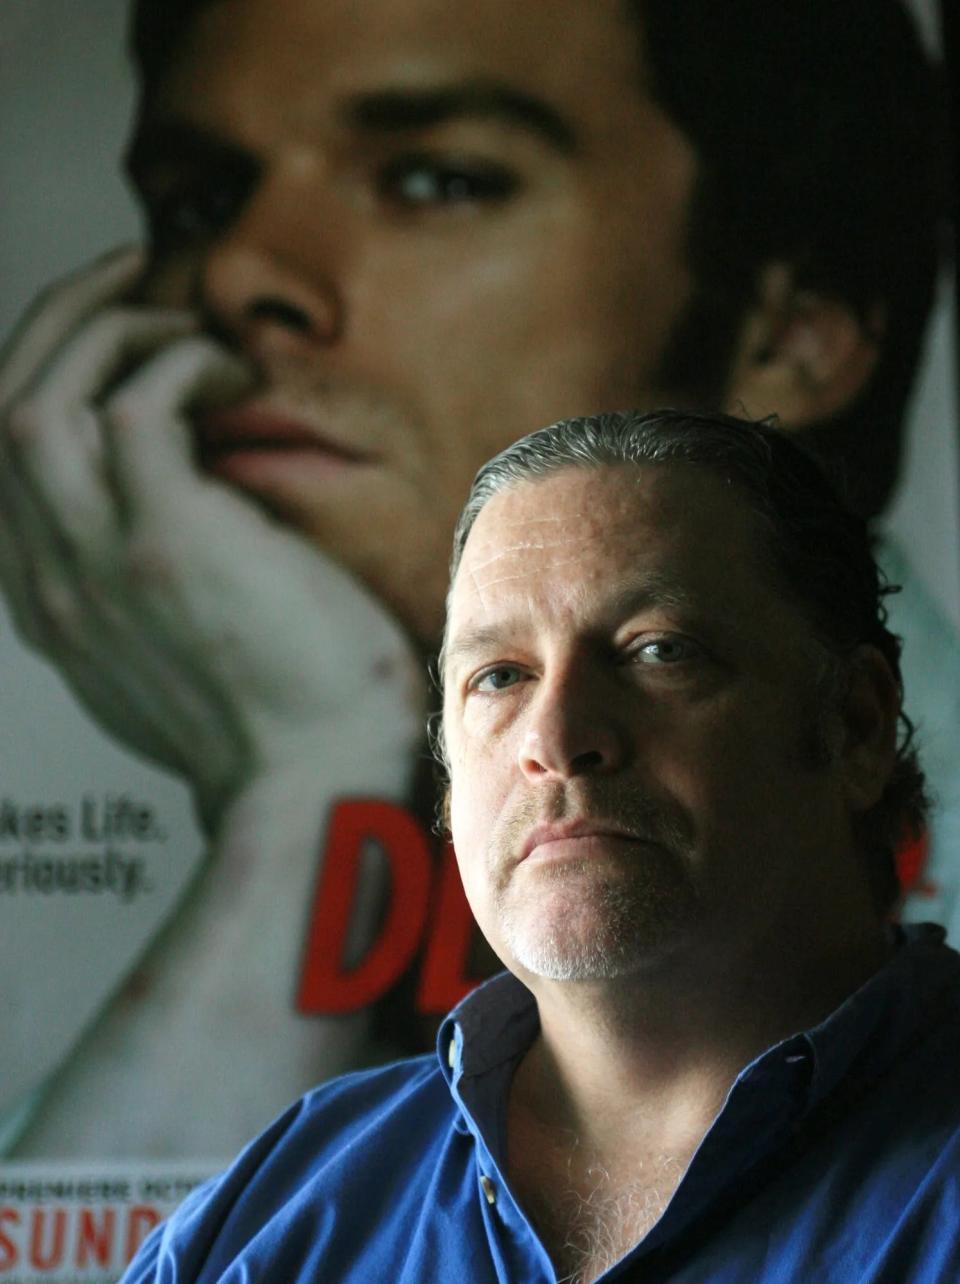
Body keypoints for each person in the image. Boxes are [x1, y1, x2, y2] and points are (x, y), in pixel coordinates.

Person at [0, 0, 952, 1158]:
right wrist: (312, 788)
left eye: (437, 180)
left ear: (791, 329)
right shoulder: (310, 1189)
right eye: (202, 203)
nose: (240, 272)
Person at [120, 410, 960, 1284]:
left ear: (856, 725)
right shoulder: (272, 1217)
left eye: (658, 651)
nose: (556, 737)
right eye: (500, 677)